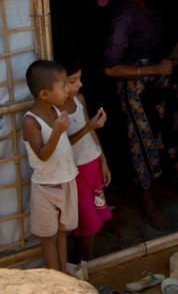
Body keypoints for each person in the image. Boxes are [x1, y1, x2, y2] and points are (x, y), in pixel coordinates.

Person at [98, 0, 178, 229]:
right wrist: (155, 70)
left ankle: (155, 187)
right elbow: (110, 68)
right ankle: (146, 203)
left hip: (154, 86)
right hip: (134, 91)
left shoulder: (145, 6)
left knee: (158, 138)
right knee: (142, 144)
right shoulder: (124, 15)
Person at [22, 60, 77, 273]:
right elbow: (43, 155)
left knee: (62, 233)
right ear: (44, 94)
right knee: (49, 237)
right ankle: (56, 280)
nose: (67, 90)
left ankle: (63, 274)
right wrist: (57, 131)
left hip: (66, 181)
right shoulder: (30, 122)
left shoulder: (56, 109)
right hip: (45, 188)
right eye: (62, 86)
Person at [62, 61, 112, 263]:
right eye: (73, 81)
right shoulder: (56, 111)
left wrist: (103, 160)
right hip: (77, 172)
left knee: (94, 214)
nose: (79, 84)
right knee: (86, 220)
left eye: (79, 79)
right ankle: (85, 261)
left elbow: (91, 134)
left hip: (92, 166)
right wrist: (89, 126)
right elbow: (63, 144)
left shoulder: (79, 99)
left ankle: (85, 260)